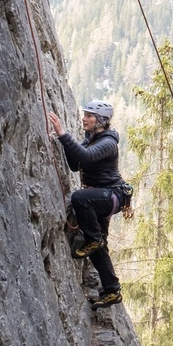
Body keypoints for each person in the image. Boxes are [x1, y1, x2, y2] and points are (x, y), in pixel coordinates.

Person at [48, 100, 131, 310]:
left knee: (80, 198)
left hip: (112, 194)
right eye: (85, 114)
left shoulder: (108, 143)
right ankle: (112, 290)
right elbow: (75, 165)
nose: (84, 118)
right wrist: (63, 141)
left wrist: (63, 134)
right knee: (98, 248)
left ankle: (92, 239)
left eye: (89, 116)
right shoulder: (92, 138)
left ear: (101, 121)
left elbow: (86, 156)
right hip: (103, 196)